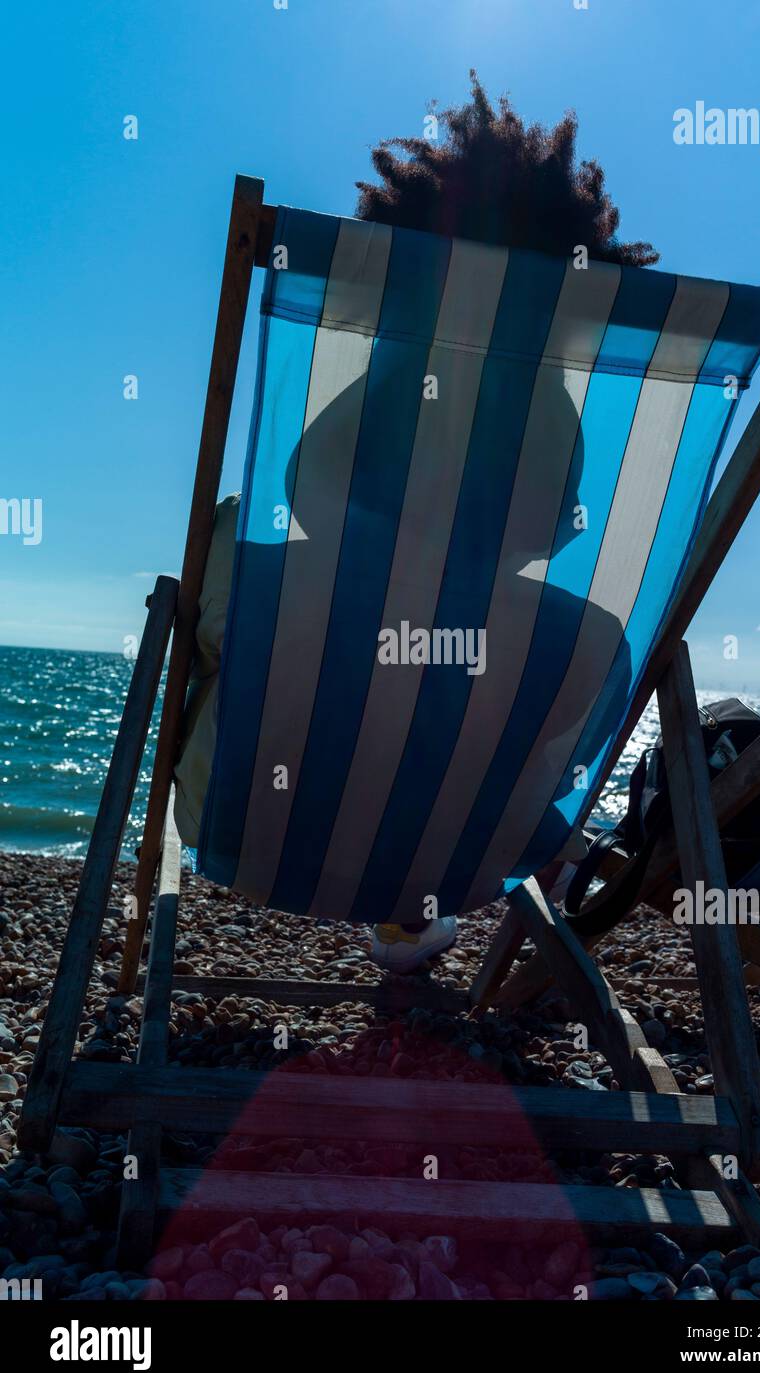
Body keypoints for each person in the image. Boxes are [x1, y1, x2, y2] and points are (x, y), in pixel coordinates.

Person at [174, 73, 659, 974]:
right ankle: (407, 916)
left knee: (228, 602)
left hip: (244, 828)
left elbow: (308, 486)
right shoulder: (578, 633)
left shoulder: (264, 568)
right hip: (460, 862)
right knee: (529, 690)